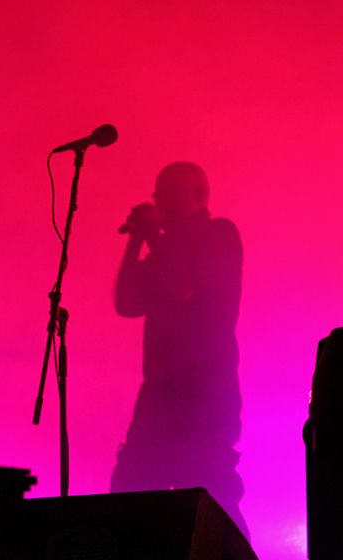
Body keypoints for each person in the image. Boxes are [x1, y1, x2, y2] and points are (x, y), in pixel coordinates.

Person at [110, 161, 248, 537]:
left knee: (210, 499)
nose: (161, 202)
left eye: (169, 193)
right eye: (159, 194)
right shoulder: (162, 250)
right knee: (131, 494)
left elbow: (185, 288)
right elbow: (125, 303)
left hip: (206, 389)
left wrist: (153, 237)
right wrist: (136, 240)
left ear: (197, 195)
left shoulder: (219, 235)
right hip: (159, 392)